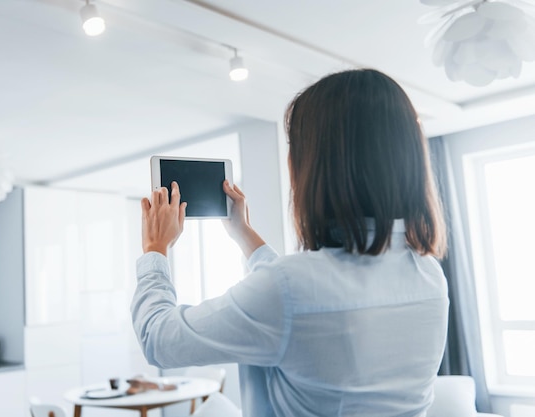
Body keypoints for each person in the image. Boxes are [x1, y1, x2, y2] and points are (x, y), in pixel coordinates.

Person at [131, 68, 449, 417]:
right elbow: (302, 304)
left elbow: (159, 339)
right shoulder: (429, 275)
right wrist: (244, 233)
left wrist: (155, 250)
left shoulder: (290, 288)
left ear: (312, 164)